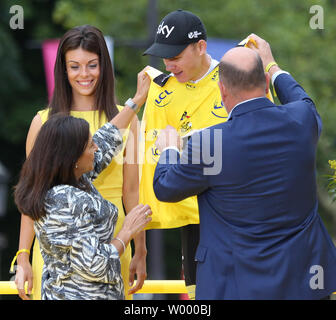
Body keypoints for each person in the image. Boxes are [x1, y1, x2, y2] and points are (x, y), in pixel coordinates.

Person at [153, 34, 336, 299]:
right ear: (264, 84)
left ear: (222, 90)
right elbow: (301, 99)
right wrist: (272, 65)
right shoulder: (302, 120)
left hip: (235, 286)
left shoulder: (208, 143)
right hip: (305, 282)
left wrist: (169, 148)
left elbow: (165, 188)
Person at [13, 25, 147, 300]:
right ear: (63, 69)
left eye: (92, 65)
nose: (84, 74)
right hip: (58, 252)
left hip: (113, 241)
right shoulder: (43, 122)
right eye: (74, 66)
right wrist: (23, 255)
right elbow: (32, 194)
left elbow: (132, 191)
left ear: (104, 66)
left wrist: (140, 249)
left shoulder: (128, 121)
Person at [140, 9, 228, 300]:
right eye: (164, 57)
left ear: (201, 47)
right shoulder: (161, 90)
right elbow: (149, 152)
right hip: (193, 218)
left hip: (236, 212)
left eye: (175, 57)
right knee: (198, 297)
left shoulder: (234, 78)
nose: (168, 64)